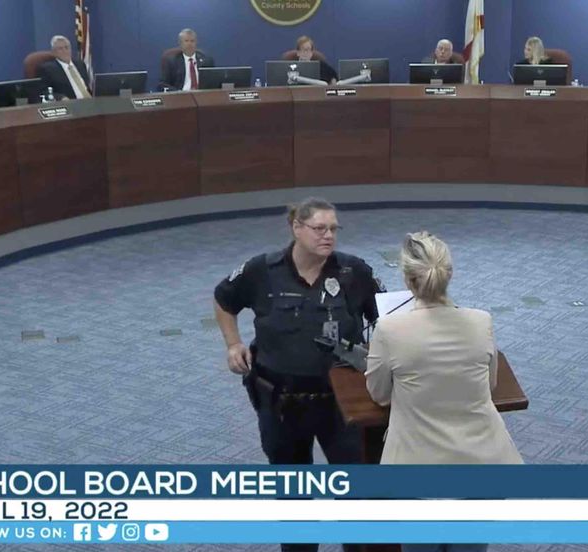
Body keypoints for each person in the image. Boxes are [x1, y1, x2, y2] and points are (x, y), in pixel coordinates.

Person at [213, 197, 381, 552]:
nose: (328, 236)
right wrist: (233, 344)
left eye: (333, 229)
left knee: (356, 495)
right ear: (296, 228)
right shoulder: (262, 270)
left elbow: (386, 317)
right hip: (281, 404)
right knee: (293, 499)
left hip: (342, 405)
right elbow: (224, 300)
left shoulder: (354, 272)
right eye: (319, 228)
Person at [365, 231, 523, 552]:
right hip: (483, 468)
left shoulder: (390, 329)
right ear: (449, 275)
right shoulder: (481, 321)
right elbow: (490, 385)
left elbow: (379, 394)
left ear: (408, 280)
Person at [36, 35, 92, 100]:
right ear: (54, 52)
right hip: (71, 103)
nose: (65, 51)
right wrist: (61, 97)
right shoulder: (47, 69)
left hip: (91, 101)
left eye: (67, 47)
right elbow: (44, 91)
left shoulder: (80, 64)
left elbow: (87, 86)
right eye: (60, 48)